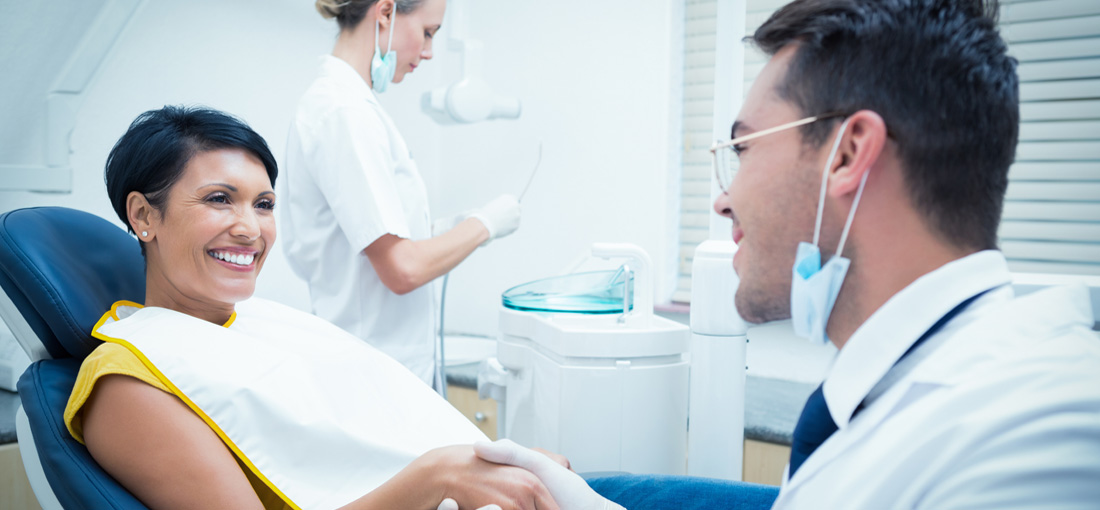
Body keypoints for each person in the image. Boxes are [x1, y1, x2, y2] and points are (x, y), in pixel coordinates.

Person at [477, 0, 1100, 508]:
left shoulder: (1040, 431)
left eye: (743, 149)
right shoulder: (889, 388)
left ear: (850, 153)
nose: (723, 201)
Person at [66, 105, 560, 510]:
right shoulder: (127, 385)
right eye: (220, 199)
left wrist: (499, 465)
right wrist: (438, 477)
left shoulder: (263, 322)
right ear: (143, 215)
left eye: (264, 204)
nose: (250, 229)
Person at [282, 0, 521, 387]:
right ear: (386, 12)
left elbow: (371, 237)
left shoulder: (351, 107)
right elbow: (402, 269)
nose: (428, 52)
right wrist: (484, 225)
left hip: (385, 367)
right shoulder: (344, 112)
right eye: (428, 33)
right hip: (371, 372)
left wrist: (444, 229)